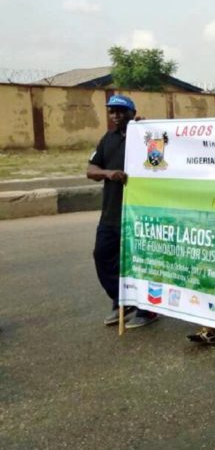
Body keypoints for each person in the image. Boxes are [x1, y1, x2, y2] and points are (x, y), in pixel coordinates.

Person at [87, 95, 159, 329]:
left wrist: (145, 129)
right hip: (110, 213)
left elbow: (158, 159)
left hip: (136, 213)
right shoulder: (107, 139)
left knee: (137, 262)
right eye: (112, 111)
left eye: (121, 111)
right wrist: (109, 174)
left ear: (132, 112)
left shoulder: (144, 137)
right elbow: (91, 169)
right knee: (102, 256)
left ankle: (146, 310)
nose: (116, 116)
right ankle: (122, 301)